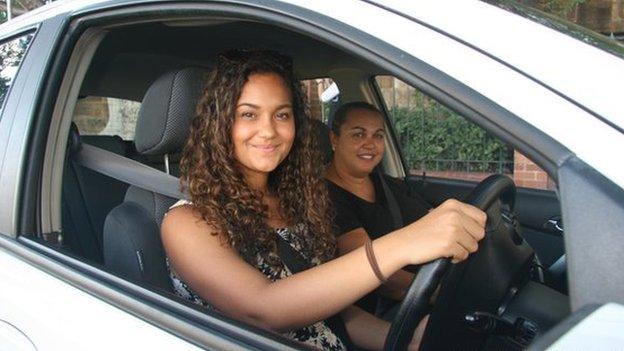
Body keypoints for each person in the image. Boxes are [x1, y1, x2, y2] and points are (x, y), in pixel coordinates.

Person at [161, 50, 486, 351]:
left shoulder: (295, 204)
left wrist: (403, 340)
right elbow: (264, 309)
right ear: (219, 125)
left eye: (282, 115)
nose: (269, 131)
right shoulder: (187, 223)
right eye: (248, 114)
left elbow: (333, 313)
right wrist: (404, 243)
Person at [324, 102, 431, 313]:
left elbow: (431, 220)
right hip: (389, 310)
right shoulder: (325, 197)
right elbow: (382, 279)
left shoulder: (388, 184)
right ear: (334, 139)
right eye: (358, 135)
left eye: (378, 136)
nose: (370, 144)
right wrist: (439, 291)